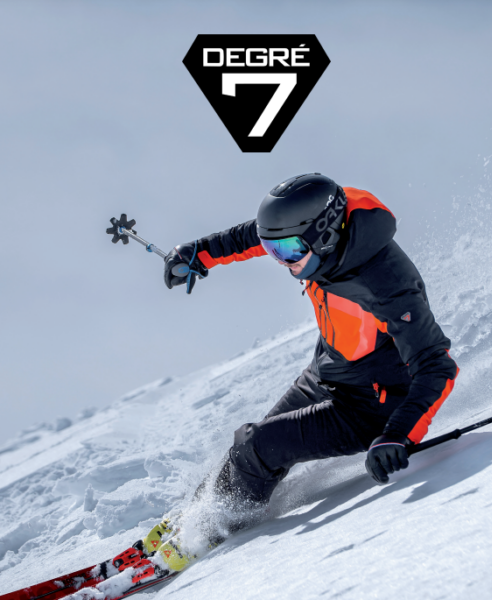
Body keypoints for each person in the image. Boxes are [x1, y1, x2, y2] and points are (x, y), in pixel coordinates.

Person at [154, 173, 458, 569]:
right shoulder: (315, 238)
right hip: (328, 372)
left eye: (287, 250)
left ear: (325, 236)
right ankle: (202, 511)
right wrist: (200, 252)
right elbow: (255, 235)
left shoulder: (385, 282)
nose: (281, 260)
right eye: (273, 250)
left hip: (372, 406)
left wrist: (397, 435)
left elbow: (437, 366)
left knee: (259, 445)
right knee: (250, 448)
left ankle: (212, 530)